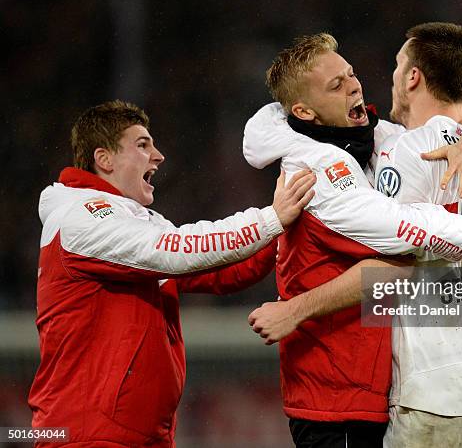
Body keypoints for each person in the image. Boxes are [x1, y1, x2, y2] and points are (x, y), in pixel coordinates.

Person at [249, 23, 462, 447]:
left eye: (395, 66)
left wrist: (297, 308)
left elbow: (396, 271)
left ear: (412, 77)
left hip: (432, 395)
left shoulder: (399, 152)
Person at [28, 100, 316, 447]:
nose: (158, 155)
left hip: (139, 434)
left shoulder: (135, 222)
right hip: (88, 433)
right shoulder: (81, 215)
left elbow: (223, 271)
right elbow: (177, 250)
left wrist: (283, 226)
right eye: (142, 144)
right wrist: (270, 219)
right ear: (104, 160)